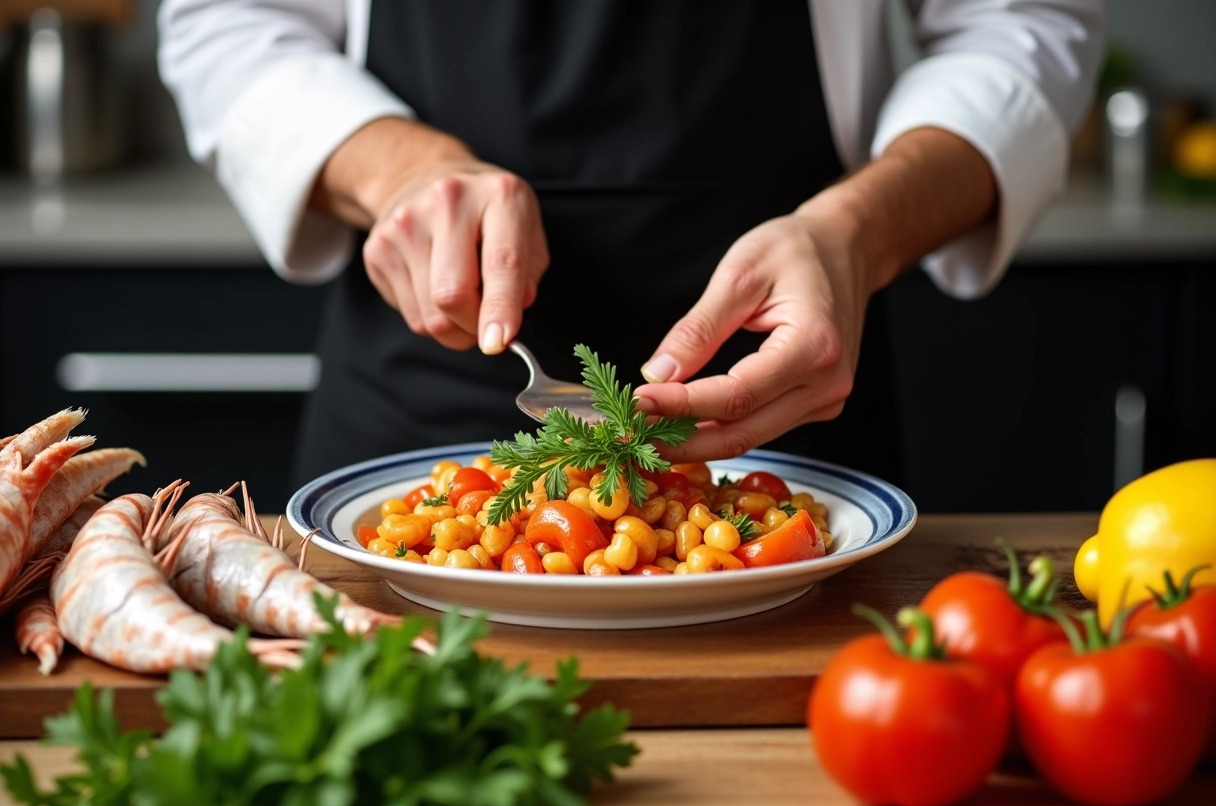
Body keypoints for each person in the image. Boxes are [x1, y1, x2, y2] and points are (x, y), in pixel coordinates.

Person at [158, 0, 1105, 490]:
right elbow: (227, 21)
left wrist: (853, 232)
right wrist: (397, 167)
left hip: (790, 406)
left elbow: (1022, 27)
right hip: (420, 392)